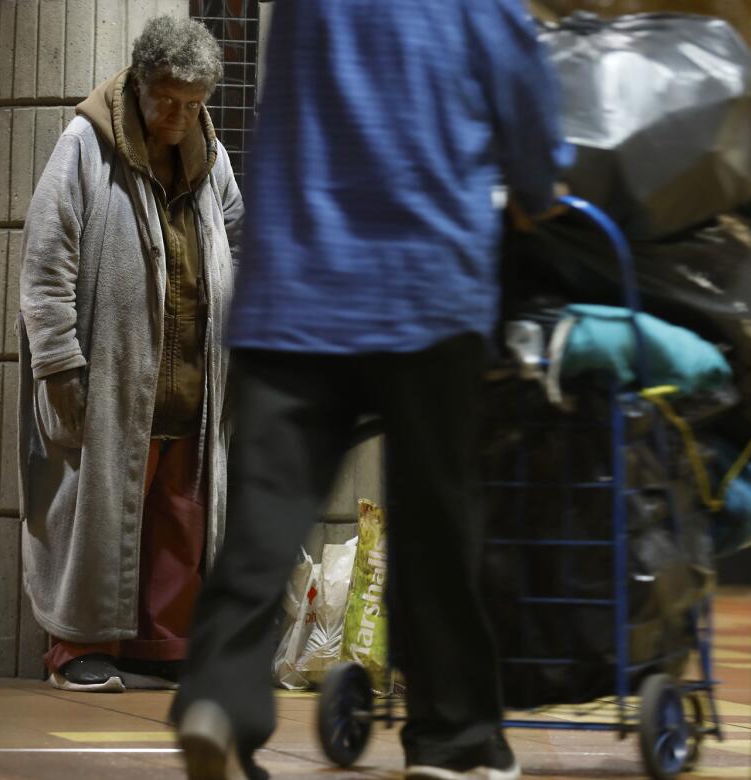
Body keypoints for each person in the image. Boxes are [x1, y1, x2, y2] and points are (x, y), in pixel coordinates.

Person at [172, 1, 571, 778]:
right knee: (435, 521)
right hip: (424, 287)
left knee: (264, 521)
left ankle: (218, 696)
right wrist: (536, 188)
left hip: (290, 286)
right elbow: (531, 130)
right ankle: (454, 742)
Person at [17, 16, 243, 693]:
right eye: (169, 99)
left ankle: (160, 647)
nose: (180, 115)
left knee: (180, 517)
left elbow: (235, 236)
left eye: (194, 103)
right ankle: (78, 648)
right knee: (91, 516)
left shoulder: (212, 158)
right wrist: (58, 362)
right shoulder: (85, 145)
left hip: (190, 377)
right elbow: (46, 261)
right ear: (141, 86)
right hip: (112, 377)